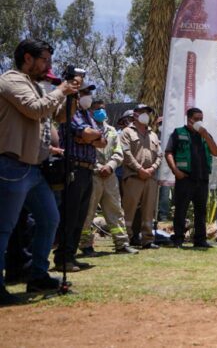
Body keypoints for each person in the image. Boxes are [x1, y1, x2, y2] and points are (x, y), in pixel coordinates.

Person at [0, 39, 80, 304]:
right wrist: (60, 91)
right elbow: (35, 110)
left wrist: (71, 96)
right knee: (4, 228)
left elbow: (59, 117)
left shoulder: (35, 85)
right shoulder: (11, 80)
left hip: (33, 168)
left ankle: (37, 275)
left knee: (49, 219)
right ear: (27, 58)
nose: (48, 65)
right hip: (11, 164)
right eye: (44, 59)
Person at [54, 83, 104, 272]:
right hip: (73, 168)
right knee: (70, 215)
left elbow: (102, 141)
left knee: (80, 216)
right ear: (75, 95)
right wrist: (89, 136)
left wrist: (92, 136)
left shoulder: (88, 115)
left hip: (88, 169)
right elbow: (85, 133)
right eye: (84, 93)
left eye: (89, 93)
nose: (88, 96)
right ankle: (62, 258)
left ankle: (71, 256)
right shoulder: (70, 113)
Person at [79, 100, 138, 256]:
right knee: (88, 211)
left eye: (103, 109)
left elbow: (119, 153)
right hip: (93, 175)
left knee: (116, 210)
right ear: (90, 111)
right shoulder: (86, 130)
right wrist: (99, 168)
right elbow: (85, 152)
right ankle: (85, 245)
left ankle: (122, 244)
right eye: (97, 109)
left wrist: (110, 166)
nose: (101, 112)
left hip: (110, 176)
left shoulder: (111, 131)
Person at [165, 107, 217, 248]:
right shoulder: (178, 133)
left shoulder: (205, 134)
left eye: (201, 119)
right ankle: (178, 239)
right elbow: (169, 152)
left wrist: (206, 135)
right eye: (196, 119)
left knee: (201, 211)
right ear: (189, 119)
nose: (199, 121)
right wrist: (175, 170)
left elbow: (215, 152)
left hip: (202, 179)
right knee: (181, 210)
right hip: (185, 178)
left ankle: (200, 240)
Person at [120, 104, 163, 249]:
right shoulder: (127, 132)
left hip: (150, 178)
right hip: (133, 176)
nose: (146, 114)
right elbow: (126, 154)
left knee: (148, 210)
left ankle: (147, 240)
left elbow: (159, 155)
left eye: (148, 112)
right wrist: (139, 169)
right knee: (129, 210)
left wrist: (152, 169)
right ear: (135, 114)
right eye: (143, 112)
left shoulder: (153, 134)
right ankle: (125, 240)